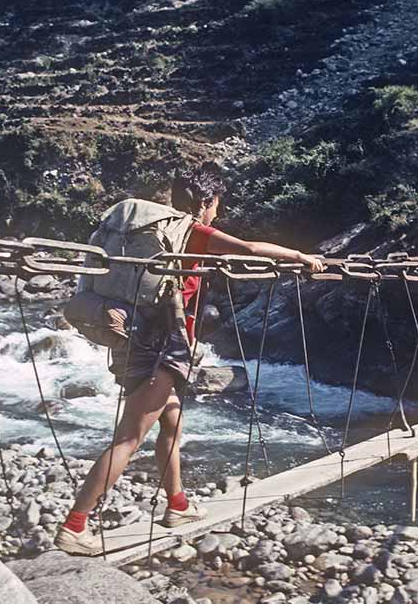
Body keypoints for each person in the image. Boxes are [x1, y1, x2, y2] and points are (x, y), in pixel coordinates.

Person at [54, 162, 326, 556]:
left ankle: (177, 505)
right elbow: (249, 250)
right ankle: (75, 525)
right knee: (129, 437)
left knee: (170, 423)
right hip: (161, 344)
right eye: (217, 204)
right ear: (207, 201)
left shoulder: (157, 234)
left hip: (133, 335)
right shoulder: (191, 232)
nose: (217, 211)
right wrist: (300, 256)